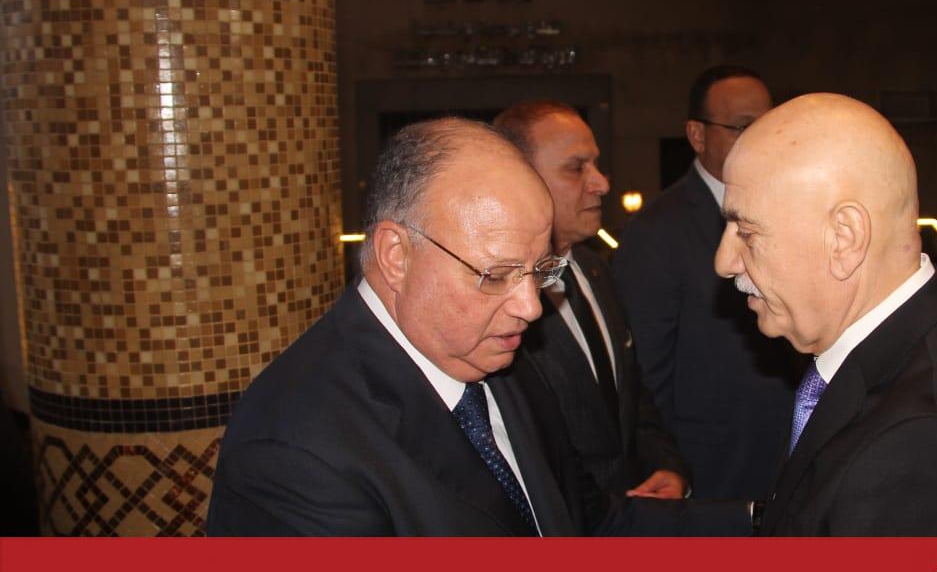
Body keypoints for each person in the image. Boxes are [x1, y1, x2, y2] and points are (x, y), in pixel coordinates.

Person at [208, 118, 576, 535]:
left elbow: (577, 519)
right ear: (396, 256)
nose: (531, 307)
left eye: (541, 270)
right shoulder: (294, 456)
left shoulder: (499, 351)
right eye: (495, 275)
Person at [714, 93, 937, 535]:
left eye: (745, 231)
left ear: (845, 237)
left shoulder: (924, 446)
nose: (724, 261)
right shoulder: (912, 345)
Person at [614, 65, 806, 501]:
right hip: (711, 472)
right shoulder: (657, 232)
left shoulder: (791, 209)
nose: (762, 140)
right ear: (697, 136)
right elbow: (645, 377)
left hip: (790, 456)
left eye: (769, 125)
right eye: (743, 127)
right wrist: (667, 465)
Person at [491, 101, 691, 511]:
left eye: (596, 164)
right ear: (519, 178)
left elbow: (632, 399)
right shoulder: (497, 302)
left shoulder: (596, 269)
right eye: (576, 168)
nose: (601, 183)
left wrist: (666, 467)